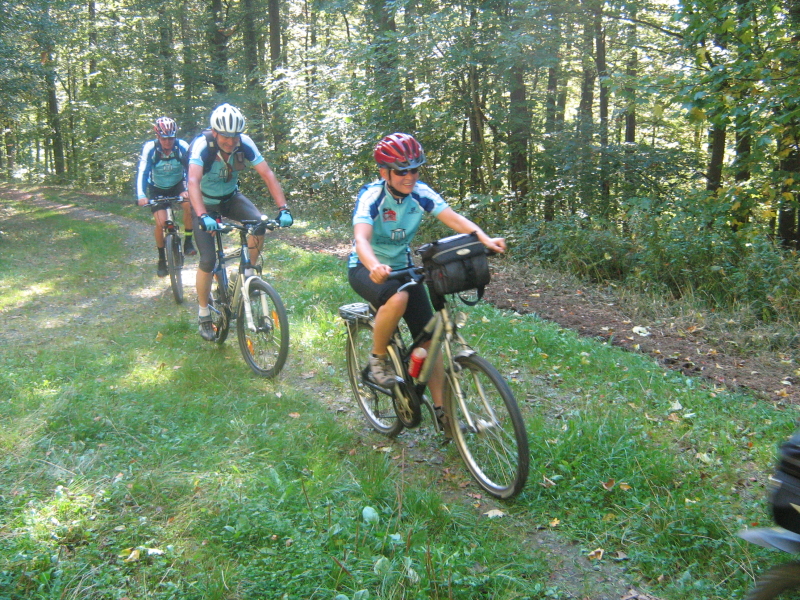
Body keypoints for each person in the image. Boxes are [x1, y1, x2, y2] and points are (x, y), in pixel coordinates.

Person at [348, 132, 506, 424]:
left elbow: (454, 219)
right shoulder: (372, 196)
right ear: (384, 172)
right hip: (365, 267)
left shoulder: (420, 193)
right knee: (398, 299)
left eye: (414, 170)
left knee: (431, 340)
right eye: (401, 171)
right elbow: (361, 239)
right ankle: (377, 359)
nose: (409, 177)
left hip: (403, 267)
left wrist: (484, 239)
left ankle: (443, 413)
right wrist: (374, 265)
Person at [187, 103, 293, 341]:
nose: (231, 141)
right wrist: (203, 215)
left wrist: (283, 209)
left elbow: (267, 174)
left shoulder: (244, 143)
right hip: (204, 203)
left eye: (235, 136)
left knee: (258, 224)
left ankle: (247, 274)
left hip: (230, 198)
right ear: (215, 133)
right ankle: (204, 312)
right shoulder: (203, 146)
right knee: (208, 259)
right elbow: (192, 182)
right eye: (226, 136)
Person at [135, 116, 196, 277]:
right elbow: (143, 172)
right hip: (157, 188)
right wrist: (141, 194)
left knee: (189, 204)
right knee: (161, 223)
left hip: (178, 185)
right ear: (157, 136)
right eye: (164, 138)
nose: (168, 142)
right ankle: (162, 258)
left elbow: (191, 169)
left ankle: (188, 241)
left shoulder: (182, 147)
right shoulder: (150, 148)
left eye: (171, 138)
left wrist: (188, 189)